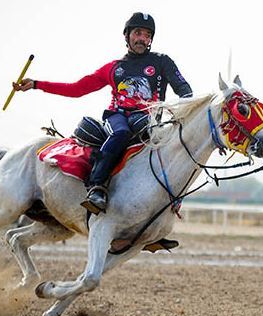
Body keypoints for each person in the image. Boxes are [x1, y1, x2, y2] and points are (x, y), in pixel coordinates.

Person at [13, 12, 193, 214]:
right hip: (117, 117)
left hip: (147, 119)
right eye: (138, 33)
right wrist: (37, 84)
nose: (142, 38)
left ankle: (169, 203)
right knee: (122, 133)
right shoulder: (113, 68)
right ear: (127, 36)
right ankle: (96, 187)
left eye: (147, 35)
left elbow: (184, 89)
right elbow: (76, 89)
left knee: (175, 145)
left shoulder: (162, 62)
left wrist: (184, 110)